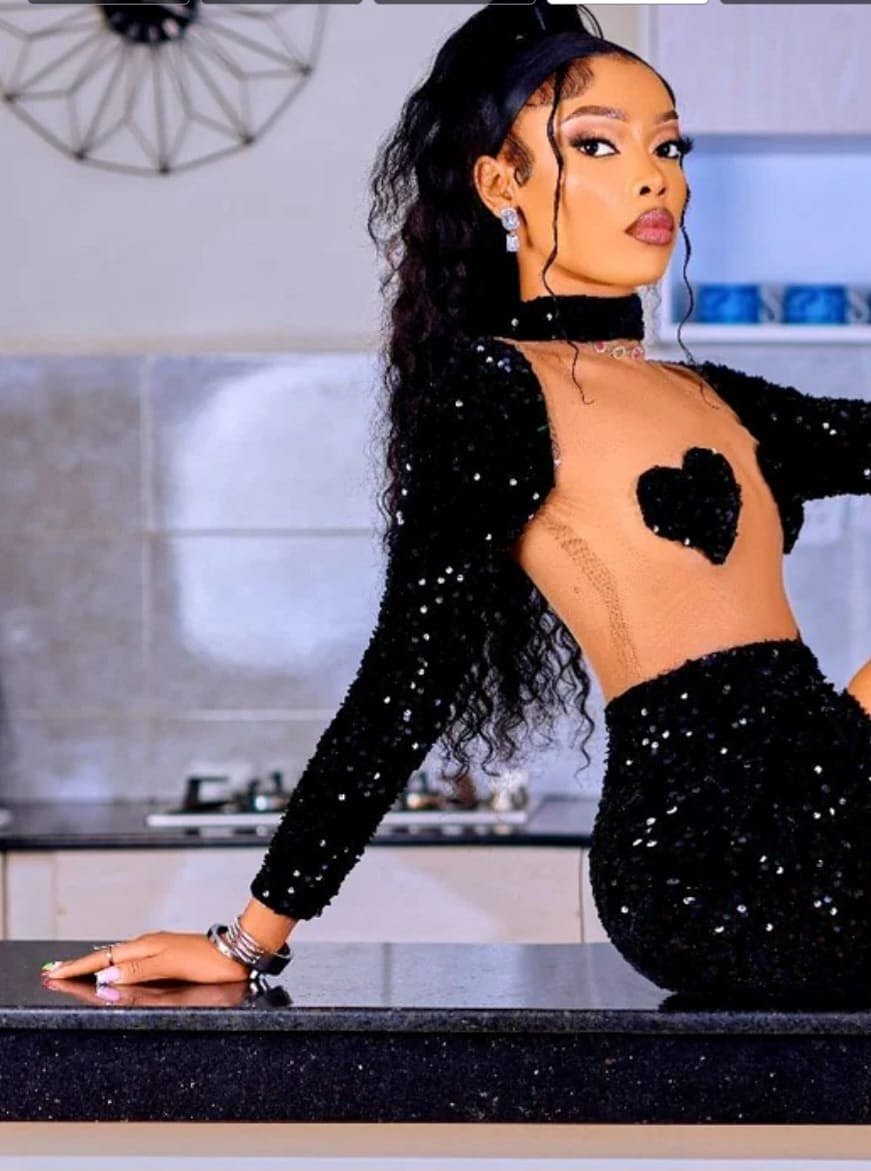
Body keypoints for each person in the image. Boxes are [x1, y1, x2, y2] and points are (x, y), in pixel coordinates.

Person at [43, 1, 871, 998]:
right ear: (499, 184)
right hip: (714, 857)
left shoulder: (717, 399)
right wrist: (248, 942)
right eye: (596, 145)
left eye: (667, 145)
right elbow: (407, 677)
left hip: (837, 792)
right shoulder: (496, 391)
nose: (654, 176)